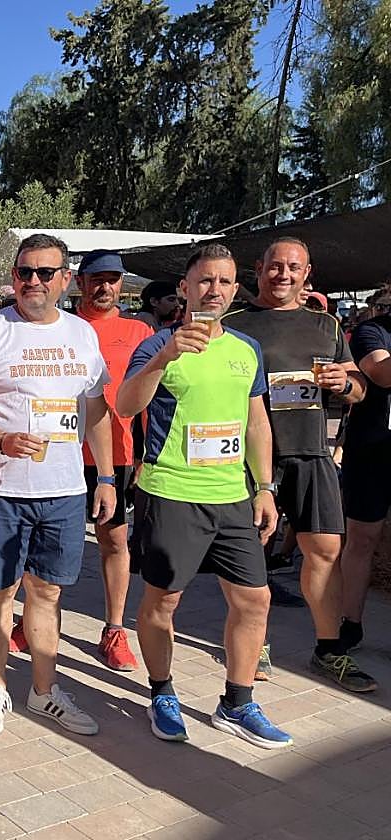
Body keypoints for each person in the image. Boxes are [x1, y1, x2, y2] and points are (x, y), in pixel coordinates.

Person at [116, 242, 293, 749]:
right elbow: (126, 405)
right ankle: (162, 692)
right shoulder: (157, 344)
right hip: (171, 492)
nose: (214, 289)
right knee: (162, 601)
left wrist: (264, 487)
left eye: (224, 281)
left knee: (254, 599)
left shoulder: (245, 349)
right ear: (185, 289)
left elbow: (256, 421)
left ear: (236, 291)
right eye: (204, 280)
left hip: (232, 496)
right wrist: (166, 357)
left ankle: (237, 703)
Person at [0, 233, 117, 738]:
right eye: (25, 273)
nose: (33, 282)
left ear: (65, 279)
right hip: (1, 489)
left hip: (64, 490)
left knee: (47, 592)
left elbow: (96, 409)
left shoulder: (82, 334)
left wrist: (104, 476)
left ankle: (43, 692)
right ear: (14, 277)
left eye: (45, 273)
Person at [222, 237, 375, 692]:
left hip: (311, 452)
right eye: (275, 267)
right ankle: (256, 641)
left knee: (326, 551)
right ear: (259, 269)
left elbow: (359, 388)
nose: (283, 275)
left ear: (306, 274)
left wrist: (342, 384)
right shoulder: (234, 324)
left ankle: (329, 650)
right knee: (251, 554)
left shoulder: (326, 325)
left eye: (294, 268)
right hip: (252, 458)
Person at [73, 250, 152, 670]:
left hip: (116, 456)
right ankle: (32, 622)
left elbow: (148, 400)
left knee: (114, 540)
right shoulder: (62, 326)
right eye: (96, 279)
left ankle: (115, 629)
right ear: (79, 282)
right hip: (59, 452)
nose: (105, 287)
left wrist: (145, 455)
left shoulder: (138, 331)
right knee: (45, 542)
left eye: (113, 280)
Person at [338, 284, 391, 653]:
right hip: (372, 452)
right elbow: (382, 373)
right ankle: (350, 623)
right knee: (361, 539)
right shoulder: (374, 330)